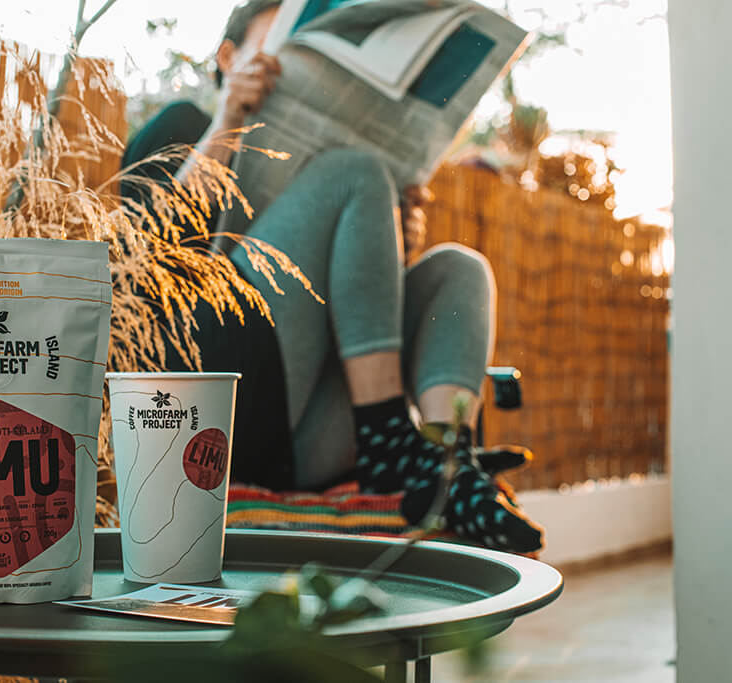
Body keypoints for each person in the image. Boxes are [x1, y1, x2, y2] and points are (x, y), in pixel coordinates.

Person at [121, 0, 542, 553]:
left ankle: (445, 467)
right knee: (352, 171)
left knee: (457, 271)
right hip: (229, 403)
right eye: (280, 54)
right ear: (227, 57)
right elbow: (137, 263)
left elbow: (365, 303)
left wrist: (397, 227)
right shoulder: (183, 124)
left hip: (315, 428)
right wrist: (226, 122)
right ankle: (391, 441)